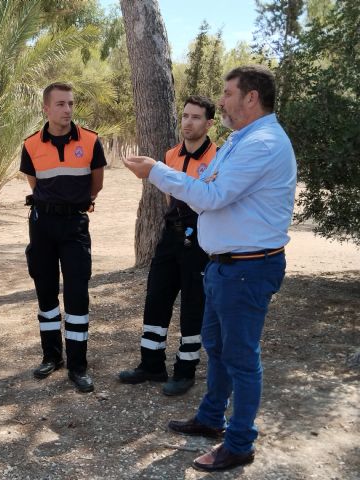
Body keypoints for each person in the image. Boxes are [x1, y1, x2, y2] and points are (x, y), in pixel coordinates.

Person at [123, 65, 296, 472]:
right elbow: (205, 197)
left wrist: (156, 172)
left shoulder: (263, 143)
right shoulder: (242, 140)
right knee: (216, 350)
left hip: (246, 269)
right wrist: (169, 177)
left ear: (250, 97)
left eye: (228, 93)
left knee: (240, 358)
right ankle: (211, 418)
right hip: (225, 267)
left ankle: (239, 443)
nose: (221, 101)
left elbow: (212, 195)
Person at [119, 96, 217, 396]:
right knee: (156, 297)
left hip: (199, 239)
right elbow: (167, 194)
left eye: (196, 117)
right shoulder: (170, 155)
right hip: (169, 235)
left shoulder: (218, 157)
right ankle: (151, 365)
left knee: (192, 304)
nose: (188, 122)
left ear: (209, 123)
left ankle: (185, 371)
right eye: (185, 116)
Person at [20, 82, 107, 393]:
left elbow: (95, 185)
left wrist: (73, 205)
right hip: (42, 225)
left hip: (74, 227)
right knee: (45, 292)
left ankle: (78, 365)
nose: (67, 109)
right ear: (46, 109)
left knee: (77, 294)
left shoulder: (91, 141)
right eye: (60, 104)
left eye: (70, 103)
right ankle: (51, 356)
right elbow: (35, 185)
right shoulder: (30, 145)